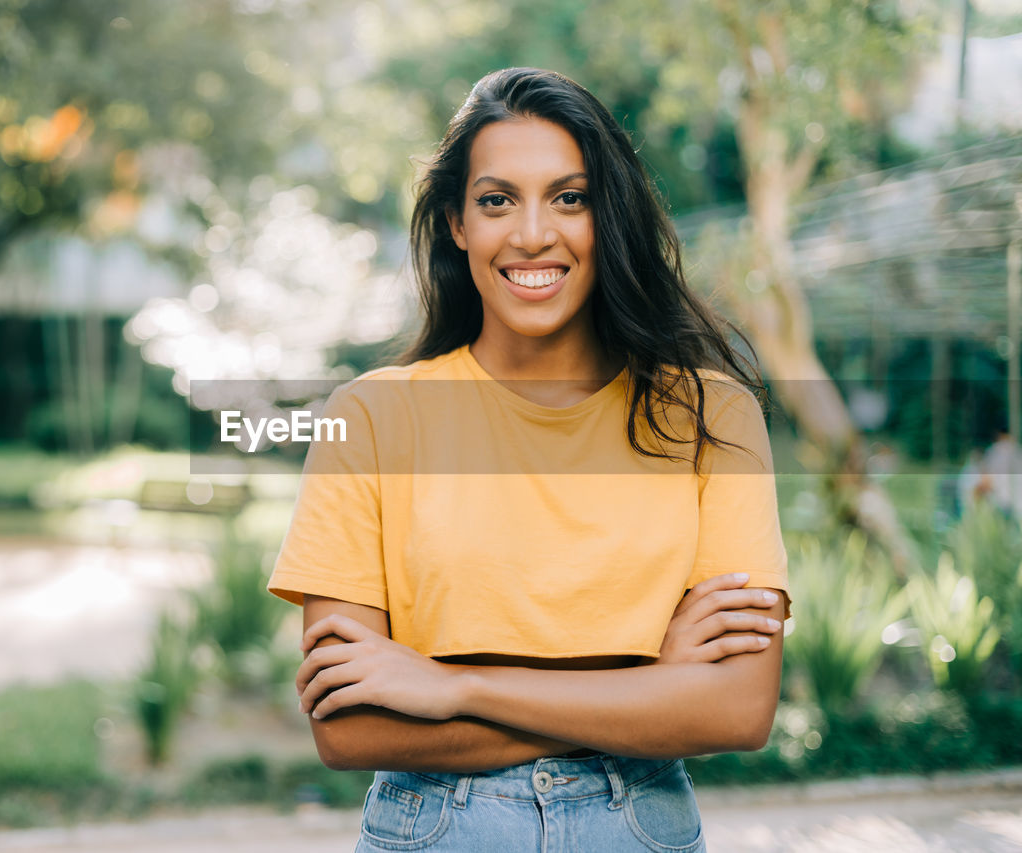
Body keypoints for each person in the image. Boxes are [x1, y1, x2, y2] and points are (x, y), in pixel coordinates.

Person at [267, 67, 789, 852]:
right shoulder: (371, 419)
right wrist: (646, 684)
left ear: (604, 215)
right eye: (497, 199)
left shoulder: (715, 417)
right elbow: (350, 728)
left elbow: (737, 710)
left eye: (569, 198)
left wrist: (451, 684)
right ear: (457, 222)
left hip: (638, 829)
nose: (533, 233)